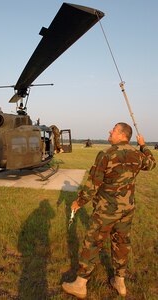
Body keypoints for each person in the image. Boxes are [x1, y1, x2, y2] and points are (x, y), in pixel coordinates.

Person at [62, 122, 156, 299]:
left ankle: (80, 284)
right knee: (121, 243)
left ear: (122, 135)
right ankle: (120, 282)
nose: (109, 132)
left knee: (93, 242)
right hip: (127, 209)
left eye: (113, 130)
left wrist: (79, 202)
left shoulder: (107, 154)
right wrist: (143, 145)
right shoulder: (137, 154)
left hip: (107, 209)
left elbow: (93, 184)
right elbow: (151, 164)